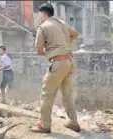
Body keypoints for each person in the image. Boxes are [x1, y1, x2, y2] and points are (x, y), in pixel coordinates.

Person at [31, 3, 81, 133]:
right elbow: (75, 34)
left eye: (39, 14)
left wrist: (50, 48)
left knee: (46, 94)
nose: (39, 16)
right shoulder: (62, 23)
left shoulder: (43, 27)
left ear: (43, 13)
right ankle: (73, 122)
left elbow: (39, 50)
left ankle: (45, 125)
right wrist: (63, 44)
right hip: (69, 61)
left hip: (58, 64)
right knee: (67, 95)